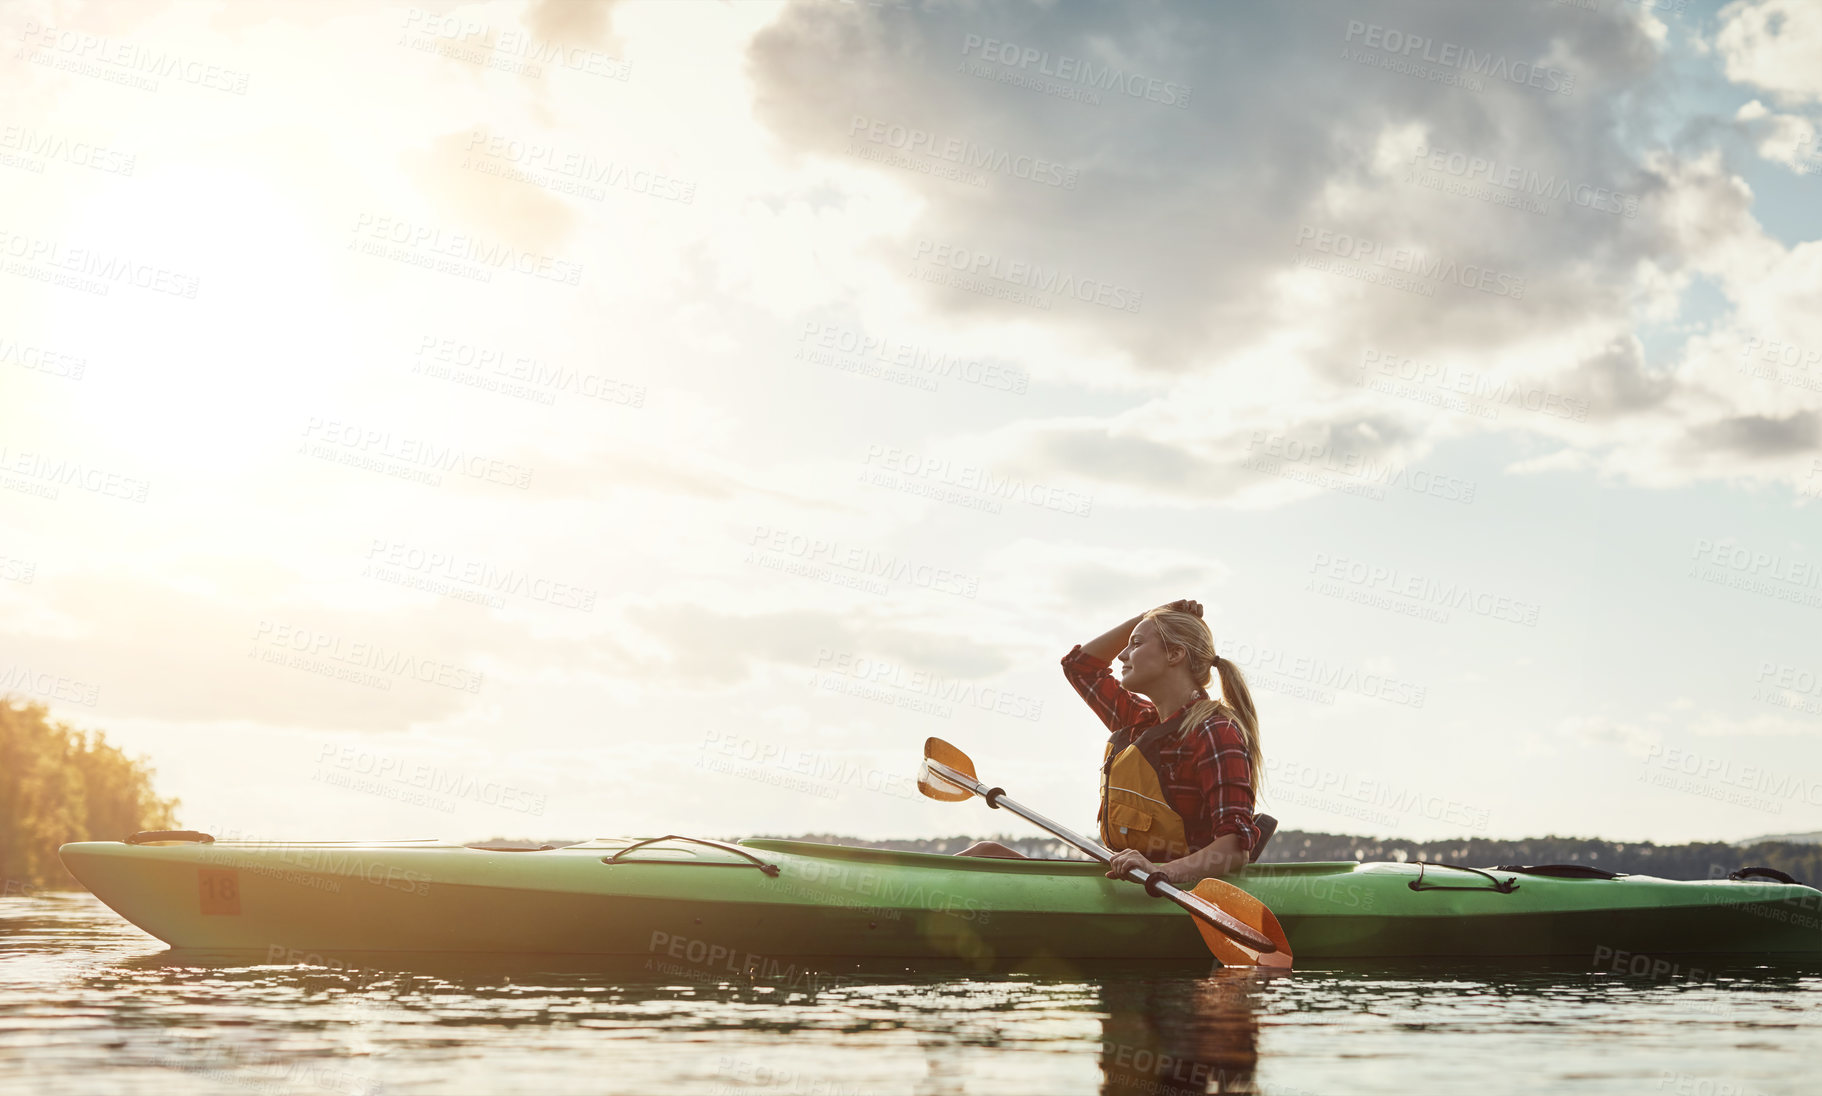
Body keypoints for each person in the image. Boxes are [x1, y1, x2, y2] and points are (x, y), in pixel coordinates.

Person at [957, 599, 1263, 887]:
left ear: (1174, 654)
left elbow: (1236, 846)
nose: (1122, 655)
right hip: (1126, 879)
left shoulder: (1215, 730)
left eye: (1137, 643)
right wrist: (1151, 614)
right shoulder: (1137, 723)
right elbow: (1079, 667)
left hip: (1170, 890)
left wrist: (1160, 871)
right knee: (986, 852)